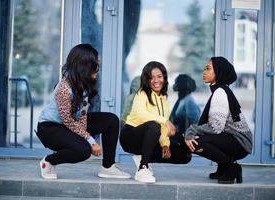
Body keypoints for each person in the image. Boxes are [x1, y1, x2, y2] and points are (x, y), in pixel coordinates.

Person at [36, 44, 130, 180]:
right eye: (95, 63)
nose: (98, 66)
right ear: (84, 66)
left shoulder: (84, 83)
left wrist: (84, 135)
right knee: (84, 151)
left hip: (70, 123)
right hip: (50, 128)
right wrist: (91, 141)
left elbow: (82, 116)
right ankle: (49, 161)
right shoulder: (64, 88)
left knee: (111, 120)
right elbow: (67, 120)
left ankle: (108, 167)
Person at [120, 61, 191, 183]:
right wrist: (166, 120)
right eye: (151, 77)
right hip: (130, 136)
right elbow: (142, 115)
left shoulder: (163, 98)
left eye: (159, 76)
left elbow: (162, 126)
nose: (156, 80)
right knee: (154, 125)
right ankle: (143, 168)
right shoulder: (142, 93)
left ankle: (142, 157)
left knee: (184, 154)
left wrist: (165, 144)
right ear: (146, 79)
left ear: (164, 78)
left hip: (150, 137)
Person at [184, 56, 252, 184]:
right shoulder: (220, 89)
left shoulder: (219, 93)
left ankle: (231, 167)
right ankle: (224, 167)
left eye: (208, 69)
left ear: (218, 72)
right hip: (237, 140)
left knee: (195, 142)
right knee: (198, 137)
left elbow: (216, 127)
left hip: (240, 142)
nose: (204, 72)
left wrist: (192, 130)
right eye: (205, 68)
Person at [170, 74, 201, 143]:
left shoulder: (189, 102)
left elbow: (194, 123)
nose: (174, 85)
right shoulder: (181, 99)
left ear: (182, 85)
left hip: (183, 140)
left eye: (176, 82)